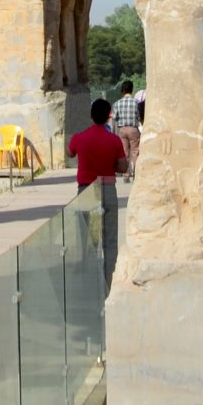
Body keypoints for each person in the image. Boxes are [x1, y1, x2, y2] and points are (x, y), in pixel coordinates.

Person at [68, 97, 127, 289]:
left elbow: (70, 152)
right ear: (108, 116)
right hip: (108, 188)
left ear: (91, 115)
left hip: (86, 190)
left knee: (88, 236)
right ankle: (108, 278)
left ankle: (88, 278)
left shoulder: (79, 138)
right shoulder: (114, 140)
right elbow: (123, 166)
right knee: (110, 238)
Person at [110, 79, 141, 176]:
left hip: (122, 129)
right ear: (132, 90)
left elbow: (114, 117)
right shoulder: (136, 102)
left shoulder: (117, 103)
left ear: (122, 90)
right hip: (133, 128)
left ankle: (126, 174)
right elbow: (139, 117)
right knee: (135, 150)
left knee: (124, 151)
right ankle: (135, 172)